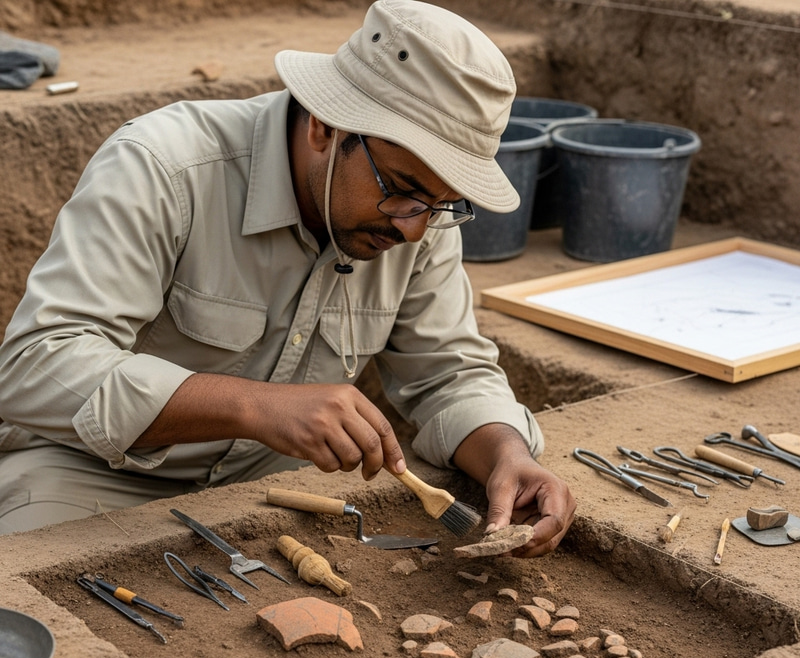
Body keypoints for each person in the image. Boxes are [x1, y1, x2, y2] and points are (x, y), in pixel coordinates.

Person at [0, 0, 575, 553]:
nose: (416, 230)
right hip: (90, 475)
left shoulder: (420, 214)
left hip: (271, 492)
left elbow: (449, 373)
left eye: (444, 204)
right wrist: (255, 406)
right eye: (402, 191)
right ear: (325, 126)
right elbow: (35, 366)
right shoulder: (163, 166)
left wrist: (508, 454)